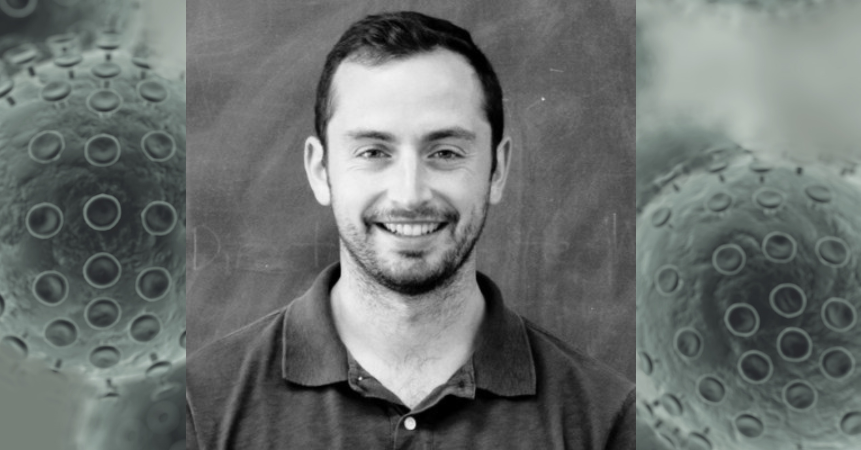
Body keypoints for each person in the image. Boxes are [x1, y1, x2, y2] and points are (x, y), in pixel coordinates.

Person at [186, 11, 635, 449]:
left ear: (497, 170)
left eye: (445, 152)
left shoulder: (605, 420)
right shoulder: (195, 408)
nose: (410, 194)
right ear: (320, 171)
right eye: (373, 152)